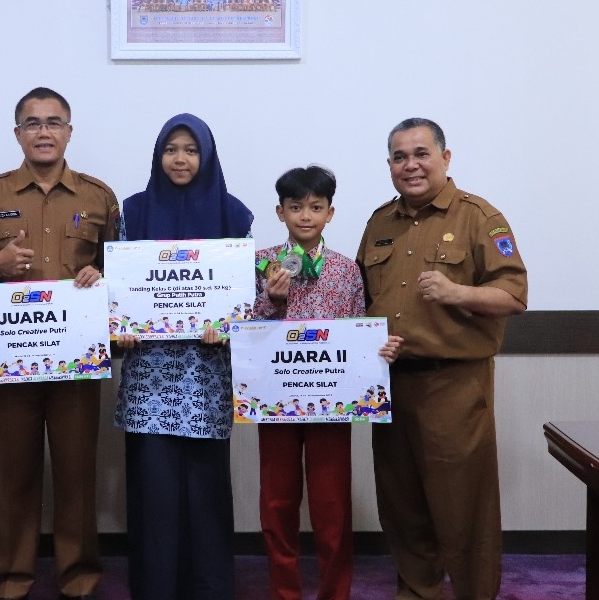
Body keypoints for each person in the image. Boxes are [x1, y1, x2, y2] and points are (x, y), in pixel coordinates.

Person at [0, 87, 120, 600]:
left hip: (75, 362)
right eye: (33, 123)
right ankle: (12, 576)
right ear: (18, 133)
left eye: (53, 123)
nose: (43, 132)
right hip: (10, 359)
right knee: (12, 474)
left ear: (69, 132)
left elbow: (124, 273)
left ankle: (78, 576)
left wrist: (102, 274)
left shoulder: (98, 196)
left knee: (76, 472)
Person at [356, 118, 528, 600]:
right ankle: (417, 591)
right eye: (399, 157)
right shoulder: (379, 222)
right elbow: (360, 299)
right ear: (389, 165)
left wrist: (457, 292)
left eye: (421, 154)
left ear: (445, 158)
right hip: (391, 386)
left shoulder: (479, 217)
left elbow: (514, 295)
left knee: (463, 509)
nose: (410, 165)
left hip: (453, 386)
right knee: (402, 506)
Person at [114, 113, 253, 600]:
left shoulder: (234, 216)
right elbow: (119, 289)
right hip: (149, 379)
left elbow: (244, 296)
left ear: (207, 156)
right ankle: (155, 586)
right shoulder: (133, 211)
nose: (180, 159)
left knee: (205, 490)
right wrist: (121, 327)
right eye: (171, 149)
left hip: (205, 376)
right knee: (154, 489)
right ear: (158, 155)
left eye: (191, 150)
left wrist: (229, 324)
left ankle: (209, 587)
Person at [252, 165, 401, 600]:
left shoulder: (346, 270)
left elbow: (356, 331)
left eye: (316, 207)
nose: (306, 216)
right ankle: (284, 591)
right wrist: (272, 300)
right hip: (276, 400)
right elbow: (242, 330)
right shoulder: (261, 263)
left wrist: (378, 350)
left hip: (331, 403)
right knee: (277, 502)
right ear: (280, 212)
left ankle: (336, 592)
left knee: (331, 504)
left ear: (330, 213)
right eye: (296, 207)